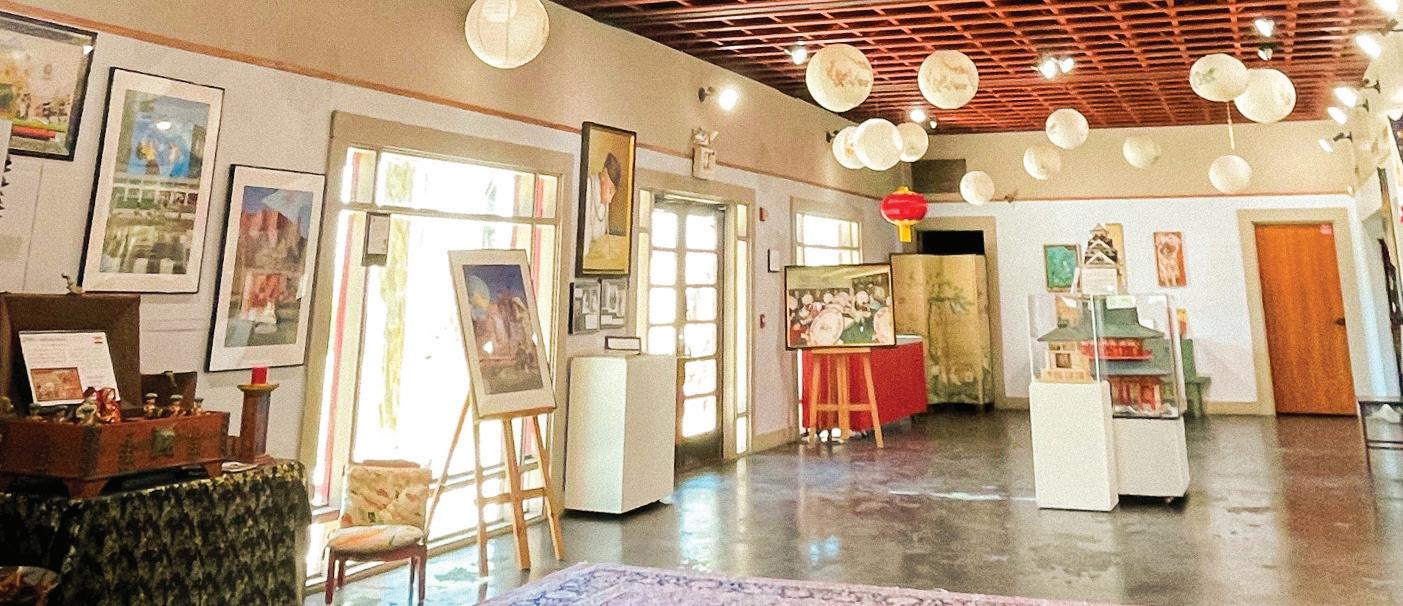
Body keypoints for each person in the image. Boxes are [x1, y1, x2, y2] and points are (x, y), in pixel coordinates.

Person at [582, 153, 622, 258]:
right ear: (603, 177)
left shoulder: (603, 196)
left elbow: (599, 233)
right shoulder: (588, 187)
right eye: (610, 189)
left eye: (613, 191)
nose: (610, 197)